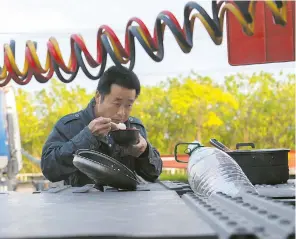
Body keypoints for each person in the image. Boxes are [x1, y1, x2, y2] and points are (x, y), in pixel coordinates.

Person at [40, 66, 163, 187]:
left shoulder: (134, 127)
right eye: (117, 103)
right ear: (98, 96)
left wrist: (145, 152)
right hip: (81, 205)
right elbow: (49, 169)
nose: (122, 112)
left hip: (125, 205)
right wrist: (87, 137)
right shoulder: (70, 125)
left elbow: (154, 174)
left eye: (128, 105)